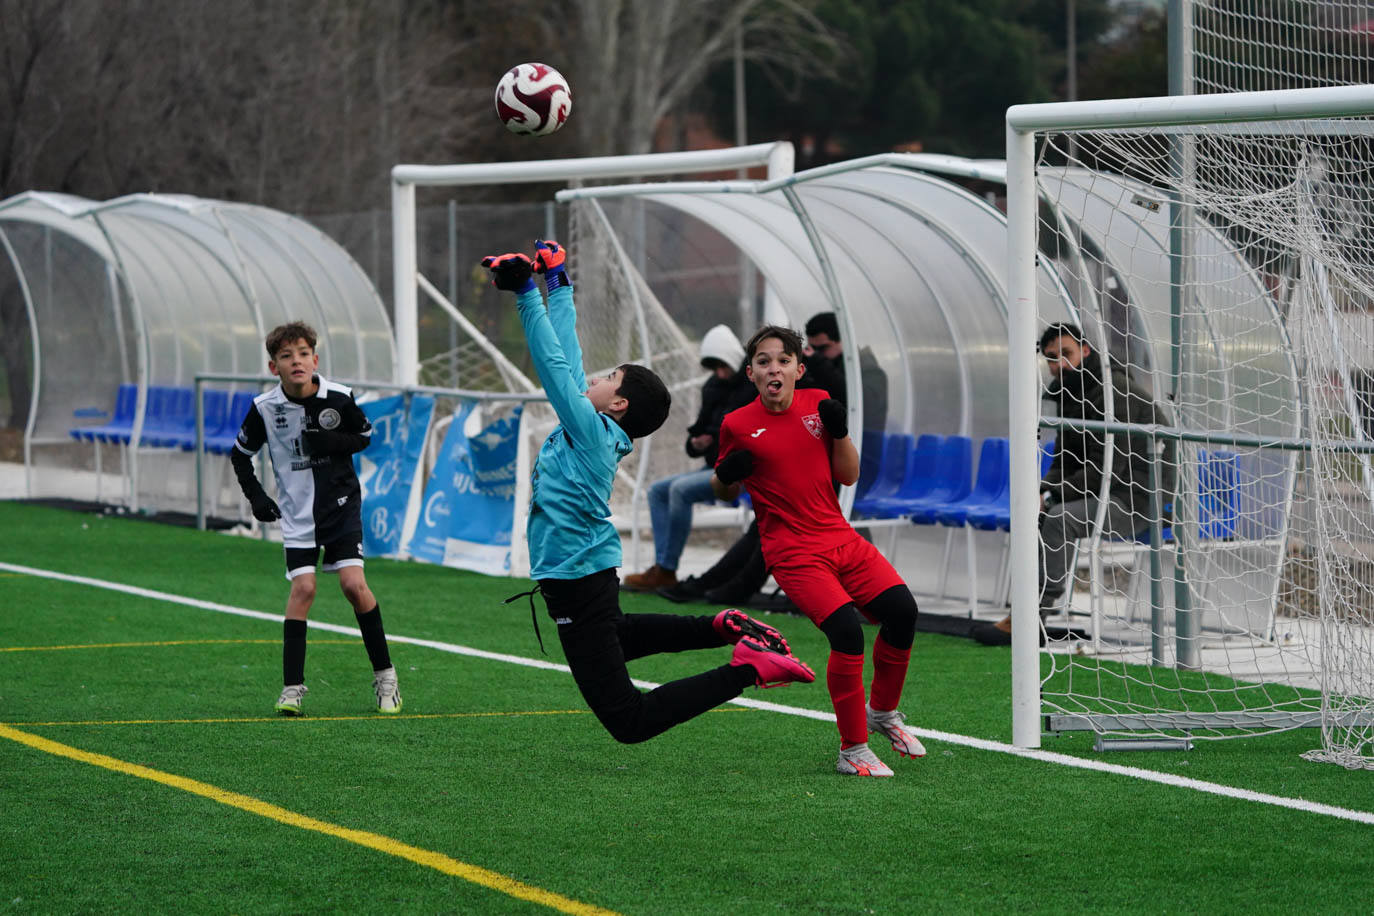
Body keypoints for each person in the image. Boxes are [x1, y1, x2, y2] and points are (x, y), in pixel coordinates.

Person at [480, 239, 814, 745]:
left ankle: (750, 669)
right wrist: (555, 281)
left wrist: (526, 292)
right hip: (585, 575)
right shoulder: (592, 425)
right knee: (618, 636)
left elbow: (554, 369)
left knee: (628, 720)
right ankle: (719, 627)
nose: (593, 377)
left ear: (616, 405)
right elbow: (567, 360)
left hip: (578, 580)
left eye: (608, 377)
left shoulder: (590, 433)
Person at [712, 324, 925, 777]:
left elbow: (848, 476)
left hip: (840, 537)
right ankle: (852, 751)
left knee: (903, 612)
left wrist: (841, 430)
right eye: (764, 361)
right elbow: (721, 487)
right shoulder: (736, 423)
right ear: (750, 373)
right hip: (792, 552)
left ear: (798, 369)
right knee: (847, 633)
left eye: (783, 360)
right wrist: (728, 472)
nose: (774, 368)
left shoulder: (818, 405)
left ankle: (882, 713)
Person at [230, 321, 401, 716]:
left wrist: (333, 442)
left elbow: (364, 435)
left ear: (315, 359)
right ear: (274, 367)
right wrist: (257, 497)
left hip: (340, 507)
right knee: (303, 589)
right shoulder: (264, 408)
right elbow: (240, 455)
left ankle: (386, 676)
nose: (296, 362)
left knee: (354, 586)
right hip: (296, 513)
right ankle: (291, 689)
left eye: (303, 354)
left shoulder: (339, 398)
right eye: (286, 357)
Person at [972, 322, 1176, 646]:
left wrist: (1053, 496)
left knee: (1059, 518)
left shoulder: (1114, 392)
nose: (1059, 364)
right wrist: (1041, 491)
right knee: (1035, 512)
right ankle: (1023, 615)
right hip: (1107, 492)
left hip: (1136, 499)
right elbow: (1064, 460)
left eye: (1066, 354)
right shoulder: (1068, 392)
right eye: (1052, 358)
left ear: (1086, 351)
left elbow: (1106, 468)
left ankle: (1031, 617)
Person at [621, 324, 750, 592]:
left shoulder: (751, 386)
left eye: (723, 366)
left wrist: (710, 440)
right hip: (712, 465)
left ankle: (667, 570)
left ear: (735, 359)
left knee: (680, 490)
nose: (720, 373)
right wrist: (696, 442)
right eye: (715, 368)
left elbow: (741, 430)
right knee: (657, 491)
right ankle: (661, 567)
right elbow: (701, 428)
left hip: (740, 470)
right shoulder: (712, 386)